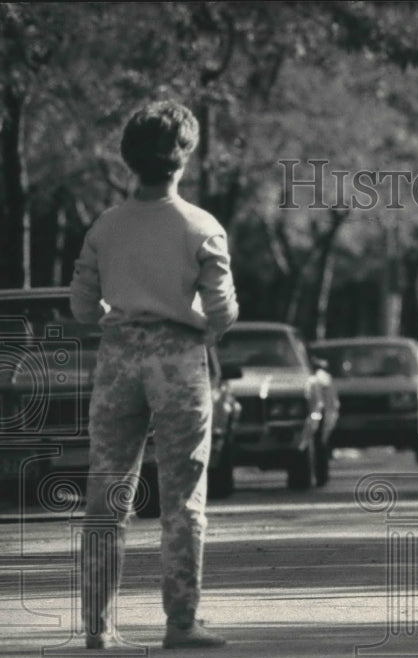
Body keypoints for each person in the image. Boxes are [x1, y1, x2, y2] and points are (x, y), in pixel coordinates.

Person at [70, 100, 239, 650]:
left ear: (128, 160)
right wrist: (190, 322)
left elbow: (79, 307)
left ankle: (98, 628)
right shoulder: (201, 227)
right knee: (182, 496)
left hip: (117, 358)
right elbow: (222, 311)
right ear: (183, 158)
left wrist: (120, 319)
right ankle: (180, 622)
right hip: (178, 363)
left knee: (107, 494)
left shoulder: (105, 227)